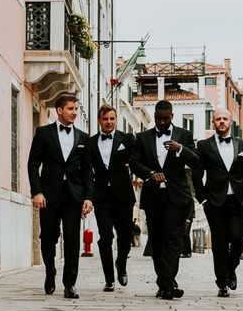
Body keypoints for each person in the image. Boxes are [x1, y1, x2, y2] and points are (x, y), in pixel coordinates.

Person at [130, 100, 200, 300]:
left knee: (172, 240)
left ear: (172, 116)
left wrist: (180, 149)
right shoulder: (143, 138)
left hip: (176, 197)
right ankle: (165, 283)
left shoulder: (184, 136)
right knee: (158, 241)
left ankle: (167, 283)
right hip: (153, 197)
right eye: (159, 118)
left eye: (166, 118)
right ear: (154, 115)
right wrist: (150, 173)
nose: (162, 122)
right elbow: (134, 163)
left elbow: (196, 161)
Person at [27, 94, 93, 299]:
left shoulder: (83, 137)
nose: (74, 112)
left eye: (76, 109)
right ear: (59, 110)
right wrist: (36, 192)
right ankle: (50, 272)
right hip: (49, 194)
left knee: (73, 240)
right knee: (48, 238)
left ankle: (70, 284)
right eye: (71, 109)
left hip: (74, 196)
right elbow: (33, 163)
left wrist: (88, 197)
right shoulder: (44, 133)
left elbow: (88, 170)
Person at [194, 108, 243, 297]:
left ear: (231, 121)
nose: (221, 122)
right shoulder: (203, 145)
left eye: (224, 119)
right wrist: (202, 199)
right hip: (214, 202)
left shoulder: (242, 145)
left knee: (239, 239)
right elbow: (197, 174)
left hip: (237, 201)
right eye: (218, 119)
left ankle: (230, 268)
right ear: (213, 122)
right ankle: (222, 283)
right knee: (219, 242)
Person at [87, 105, 136, 292]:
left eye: (112, 119)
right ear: (99, 120)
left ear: (116, 120)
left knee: (125, 235)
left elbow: (137, 159)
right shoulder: (90, 143)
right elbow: (87, 171)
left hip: (123, 195)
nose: (109, 122)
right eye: (105, 119)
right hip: (101, 197)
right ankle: (109, 279)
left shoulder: (128, 139)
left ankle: (121, 264)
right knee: (105, 236)